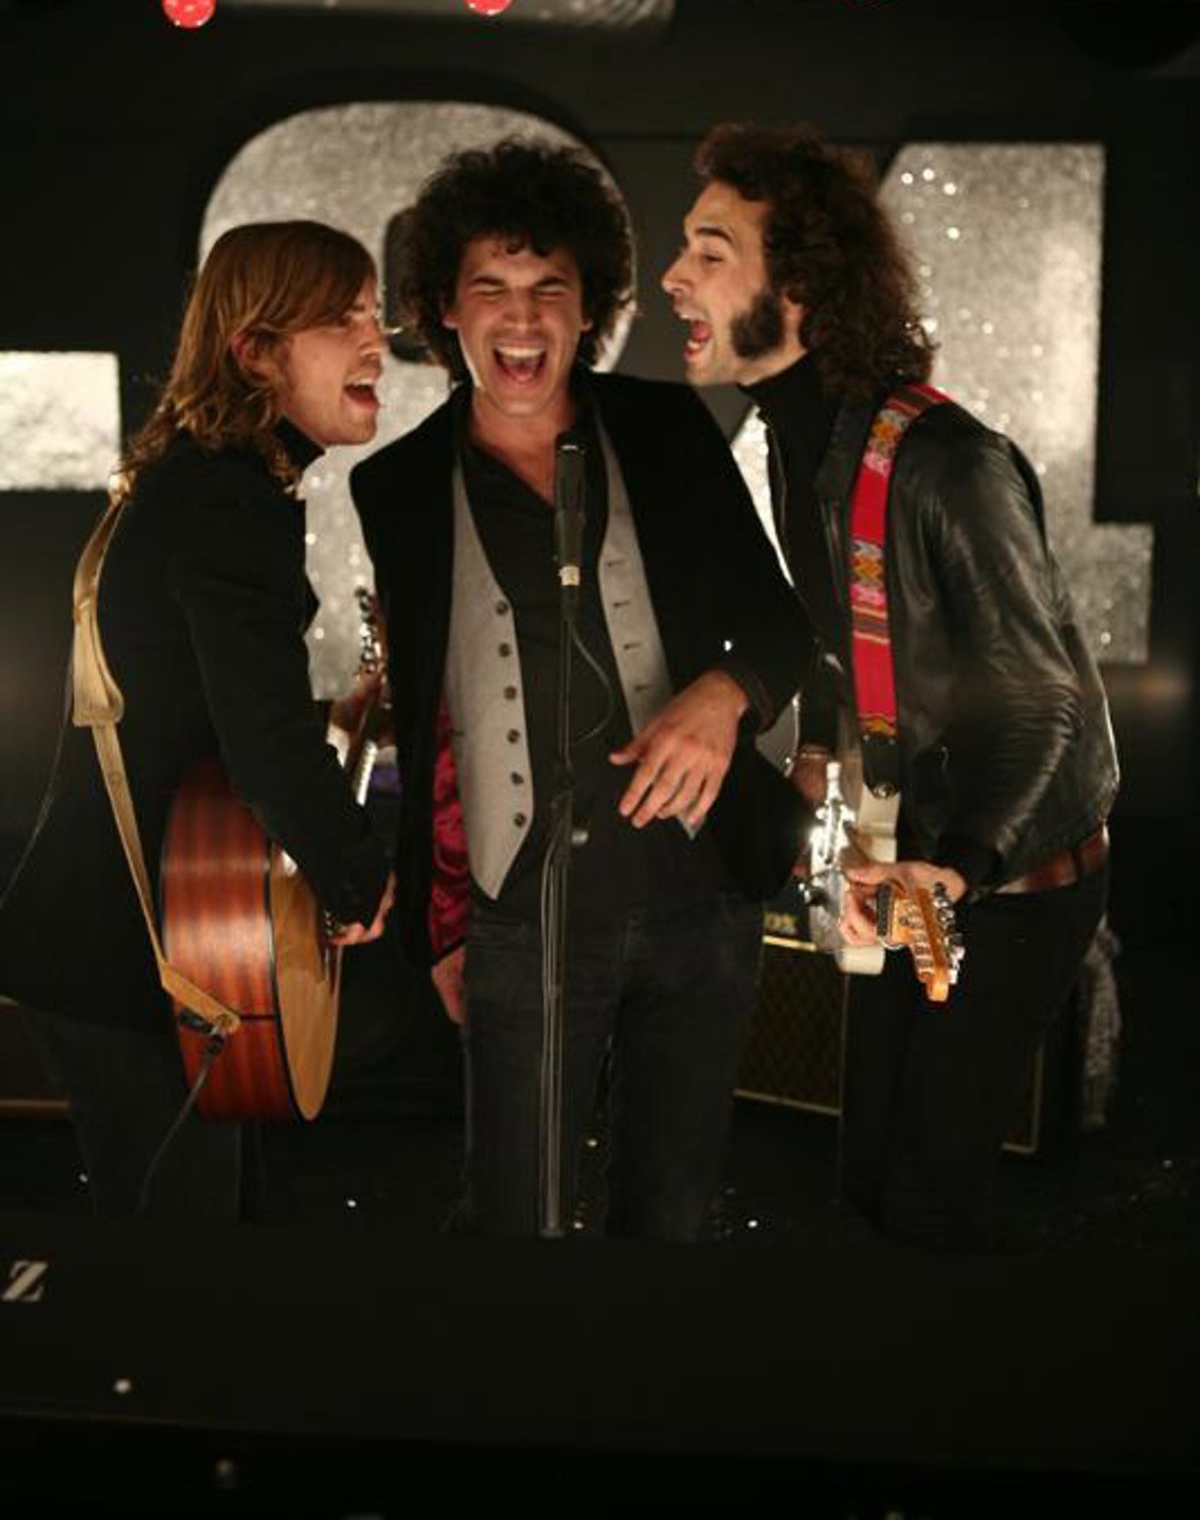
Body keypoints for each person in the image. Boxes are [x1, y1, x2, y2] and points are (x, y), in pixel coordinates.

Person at [662, 122, 1118, 1248]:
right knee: (865, 1173)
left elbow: (1042, 699)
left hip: (1011, 875)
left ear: (804, 289)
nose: (675, 276)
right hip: (915, 852)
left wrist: (959, 866)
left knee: (927, 1194)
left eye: (713, 252)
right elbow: (844, 630)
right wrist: (822, 757)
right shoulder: (797, 437)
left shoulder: (947, 464)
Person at [351, 139, 809, 1240]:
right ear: (444, 309)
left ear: (590, 304)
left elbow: (784, 626)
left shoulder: (665, 428)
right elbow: (439, 724)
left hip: (699, 902)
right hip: (520, 917)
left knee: (672, 1216)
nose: (522, 319)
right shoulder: (395, 486)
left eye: (550, 287)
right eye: (490, 288)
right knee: (515, 1224)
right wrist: (449, 922)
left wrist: (724, 693)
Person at [0, 220, 394, 1219]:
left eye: (375, 313)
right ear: (255, 350)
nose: (376, 340)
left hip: (139, 942)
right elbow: (263, 752)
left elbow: (199, 712)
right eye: (342, 318)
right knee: (177, 1255)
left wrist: (333, 715)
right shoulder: (229, 501)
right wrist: (359, 876)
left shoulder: (205, 480)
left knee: (201, 1238)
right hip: (126, 955)